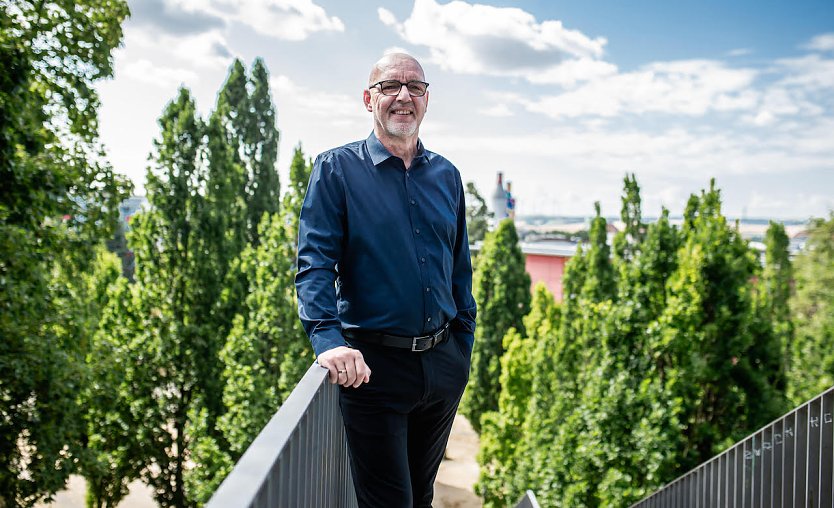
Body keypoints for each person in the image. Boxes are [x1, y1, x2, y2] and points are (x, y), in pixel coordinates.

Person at [295, 52, 477, 507]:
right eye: (389, 86)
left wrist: (462, 348)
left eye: (414, 87)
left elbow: (459, 270)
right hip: (372, 371)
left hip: (442, 366)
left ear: (427, 99)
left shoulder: (447, 176)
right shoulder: (336, 170)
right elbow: (315, 263)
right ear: (367, 98)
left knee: (420, 496)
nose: (403, 97)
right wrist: (326, 338)